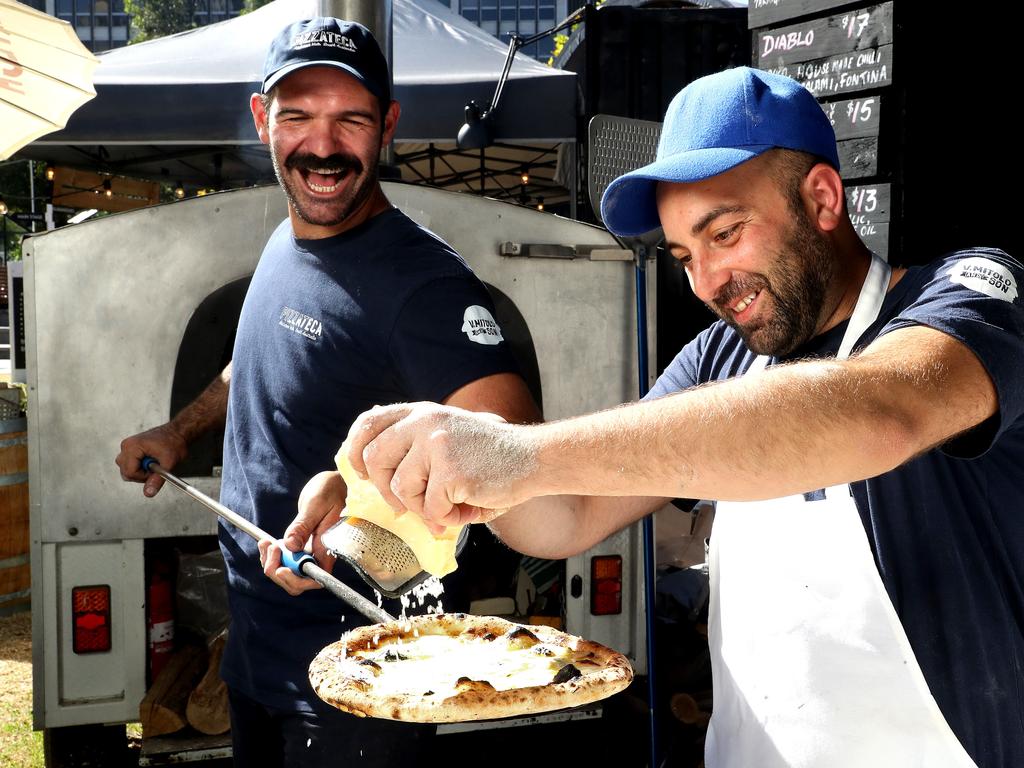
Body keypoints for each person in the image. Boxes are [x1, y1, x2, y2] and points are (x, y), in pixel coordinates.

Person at [339, 67, 1024, 768]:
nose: (706, 285)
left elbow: (881, 412)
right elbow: (568, 512)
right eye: (684, 257)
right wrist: (464, 474)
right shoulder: (720, 356)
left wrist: (521, 457)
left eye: (724, 235)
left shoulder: (968, 299)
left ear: (821, 198)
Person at [114, 17, 537, 768]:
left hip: (356, 675)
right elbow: (258, 358)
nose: (322, 146)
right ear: (261, 119)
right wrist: (181, 432)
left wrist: (354, 502)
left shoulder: (423, 285)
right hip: (254, 644)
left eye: (351, 119)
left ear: (389, 127)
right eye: (298, 116)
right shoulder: (291, 238)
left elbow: (510, 442)